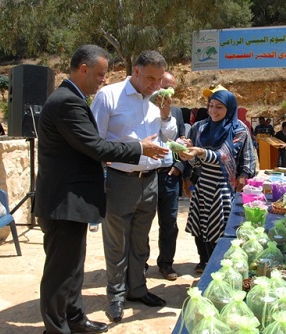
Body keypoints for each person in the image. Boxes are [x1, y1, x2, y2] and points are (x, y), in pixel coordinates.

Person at [34, 44, 169, 334]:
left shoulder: (73, 98)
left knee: (73, 268)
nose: (103, 79)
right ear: (83, 69)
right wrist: (138, 147)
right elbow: (95, 146)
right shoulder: (67, 101)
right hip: (63, 201)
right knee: (60, 272)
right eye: (100, 73)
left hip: (73, 202)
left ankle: (75, 319)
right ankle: (56, 329)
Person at [91, 50, 177, 322]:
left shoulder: (158, 99)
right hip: (119, 180)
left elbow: (169, 136)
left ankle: (137, 289)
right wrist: (138, 149)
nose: (155, 85)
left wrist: (165, 116)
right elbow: (94, 142)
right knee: (117, 244)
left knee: (140, 242)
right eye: (150, 78)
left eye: (159, 79)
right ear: (136, 72)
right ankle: (115, 297)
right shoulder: (109, 96)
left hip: (150, 181)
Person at [179, 90, 256, 273]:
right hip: (202, 184)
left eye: (219, 107)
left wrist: (200, 151)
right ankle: (204, 260)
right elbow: (196, 161)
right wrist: (187, 152)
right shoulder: (200, 127)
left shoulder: (238, 129)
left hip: (223, 187)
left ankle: (219, 266)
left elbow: (225, 155)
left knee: (219, 228)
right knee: (201, 225)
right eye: (211, 106)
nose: (213, 111)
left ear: (229, 109)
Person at [153, 71, 186, 281]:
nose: (168, 90)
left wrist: (179, 166)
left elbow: (183, 140)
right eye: (165, 85)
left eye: (172, 87)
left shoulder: (176, 112)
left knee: (169, 223)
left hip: (169, 175)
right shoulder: (142, 109)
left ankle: (166, 264)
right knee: (141, 224)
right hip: (145, 175)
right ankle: (139, 265)